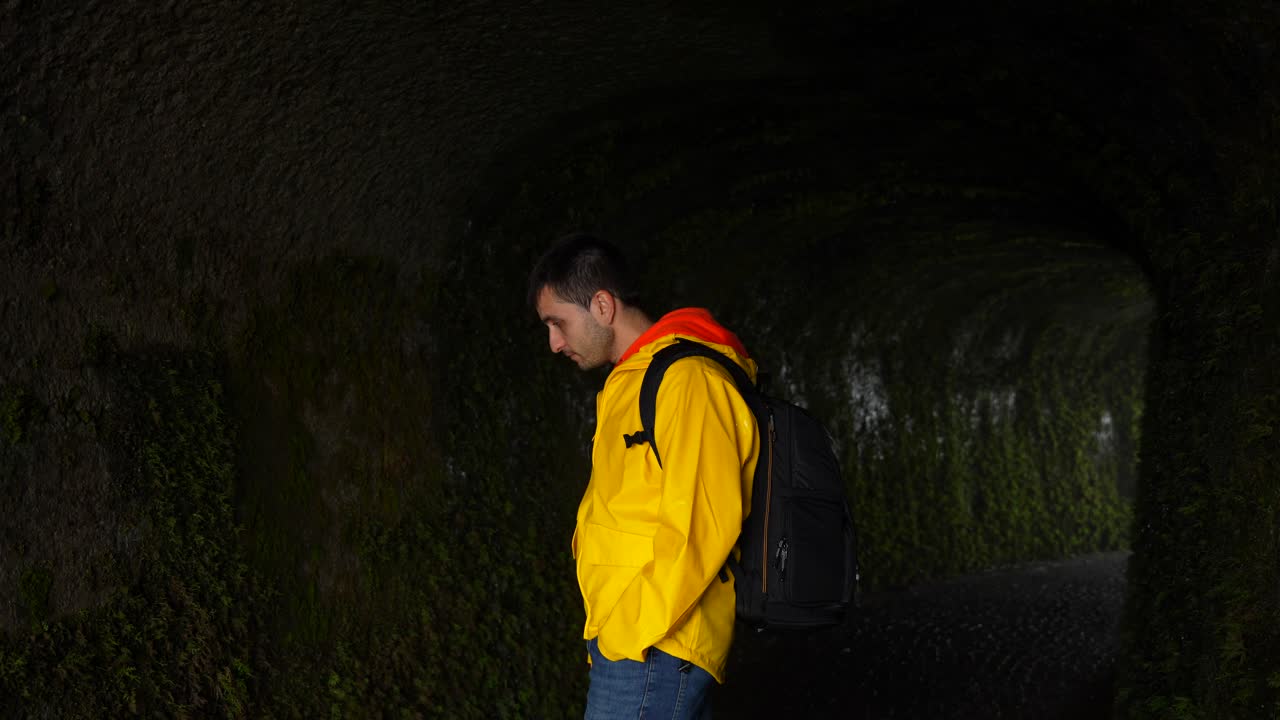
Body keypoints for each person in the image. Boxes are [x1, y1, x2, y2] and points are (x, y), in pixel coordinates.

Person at [528, 233, 760, 719]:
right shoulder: (632, 382)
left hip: (656, 645)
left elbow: (701, 527)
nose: (553, 343)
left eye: (558, 323)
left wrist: (625, 635)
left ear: (603, 305)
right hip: (637, 641)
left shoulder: (688, 380)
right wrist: (607, 634)